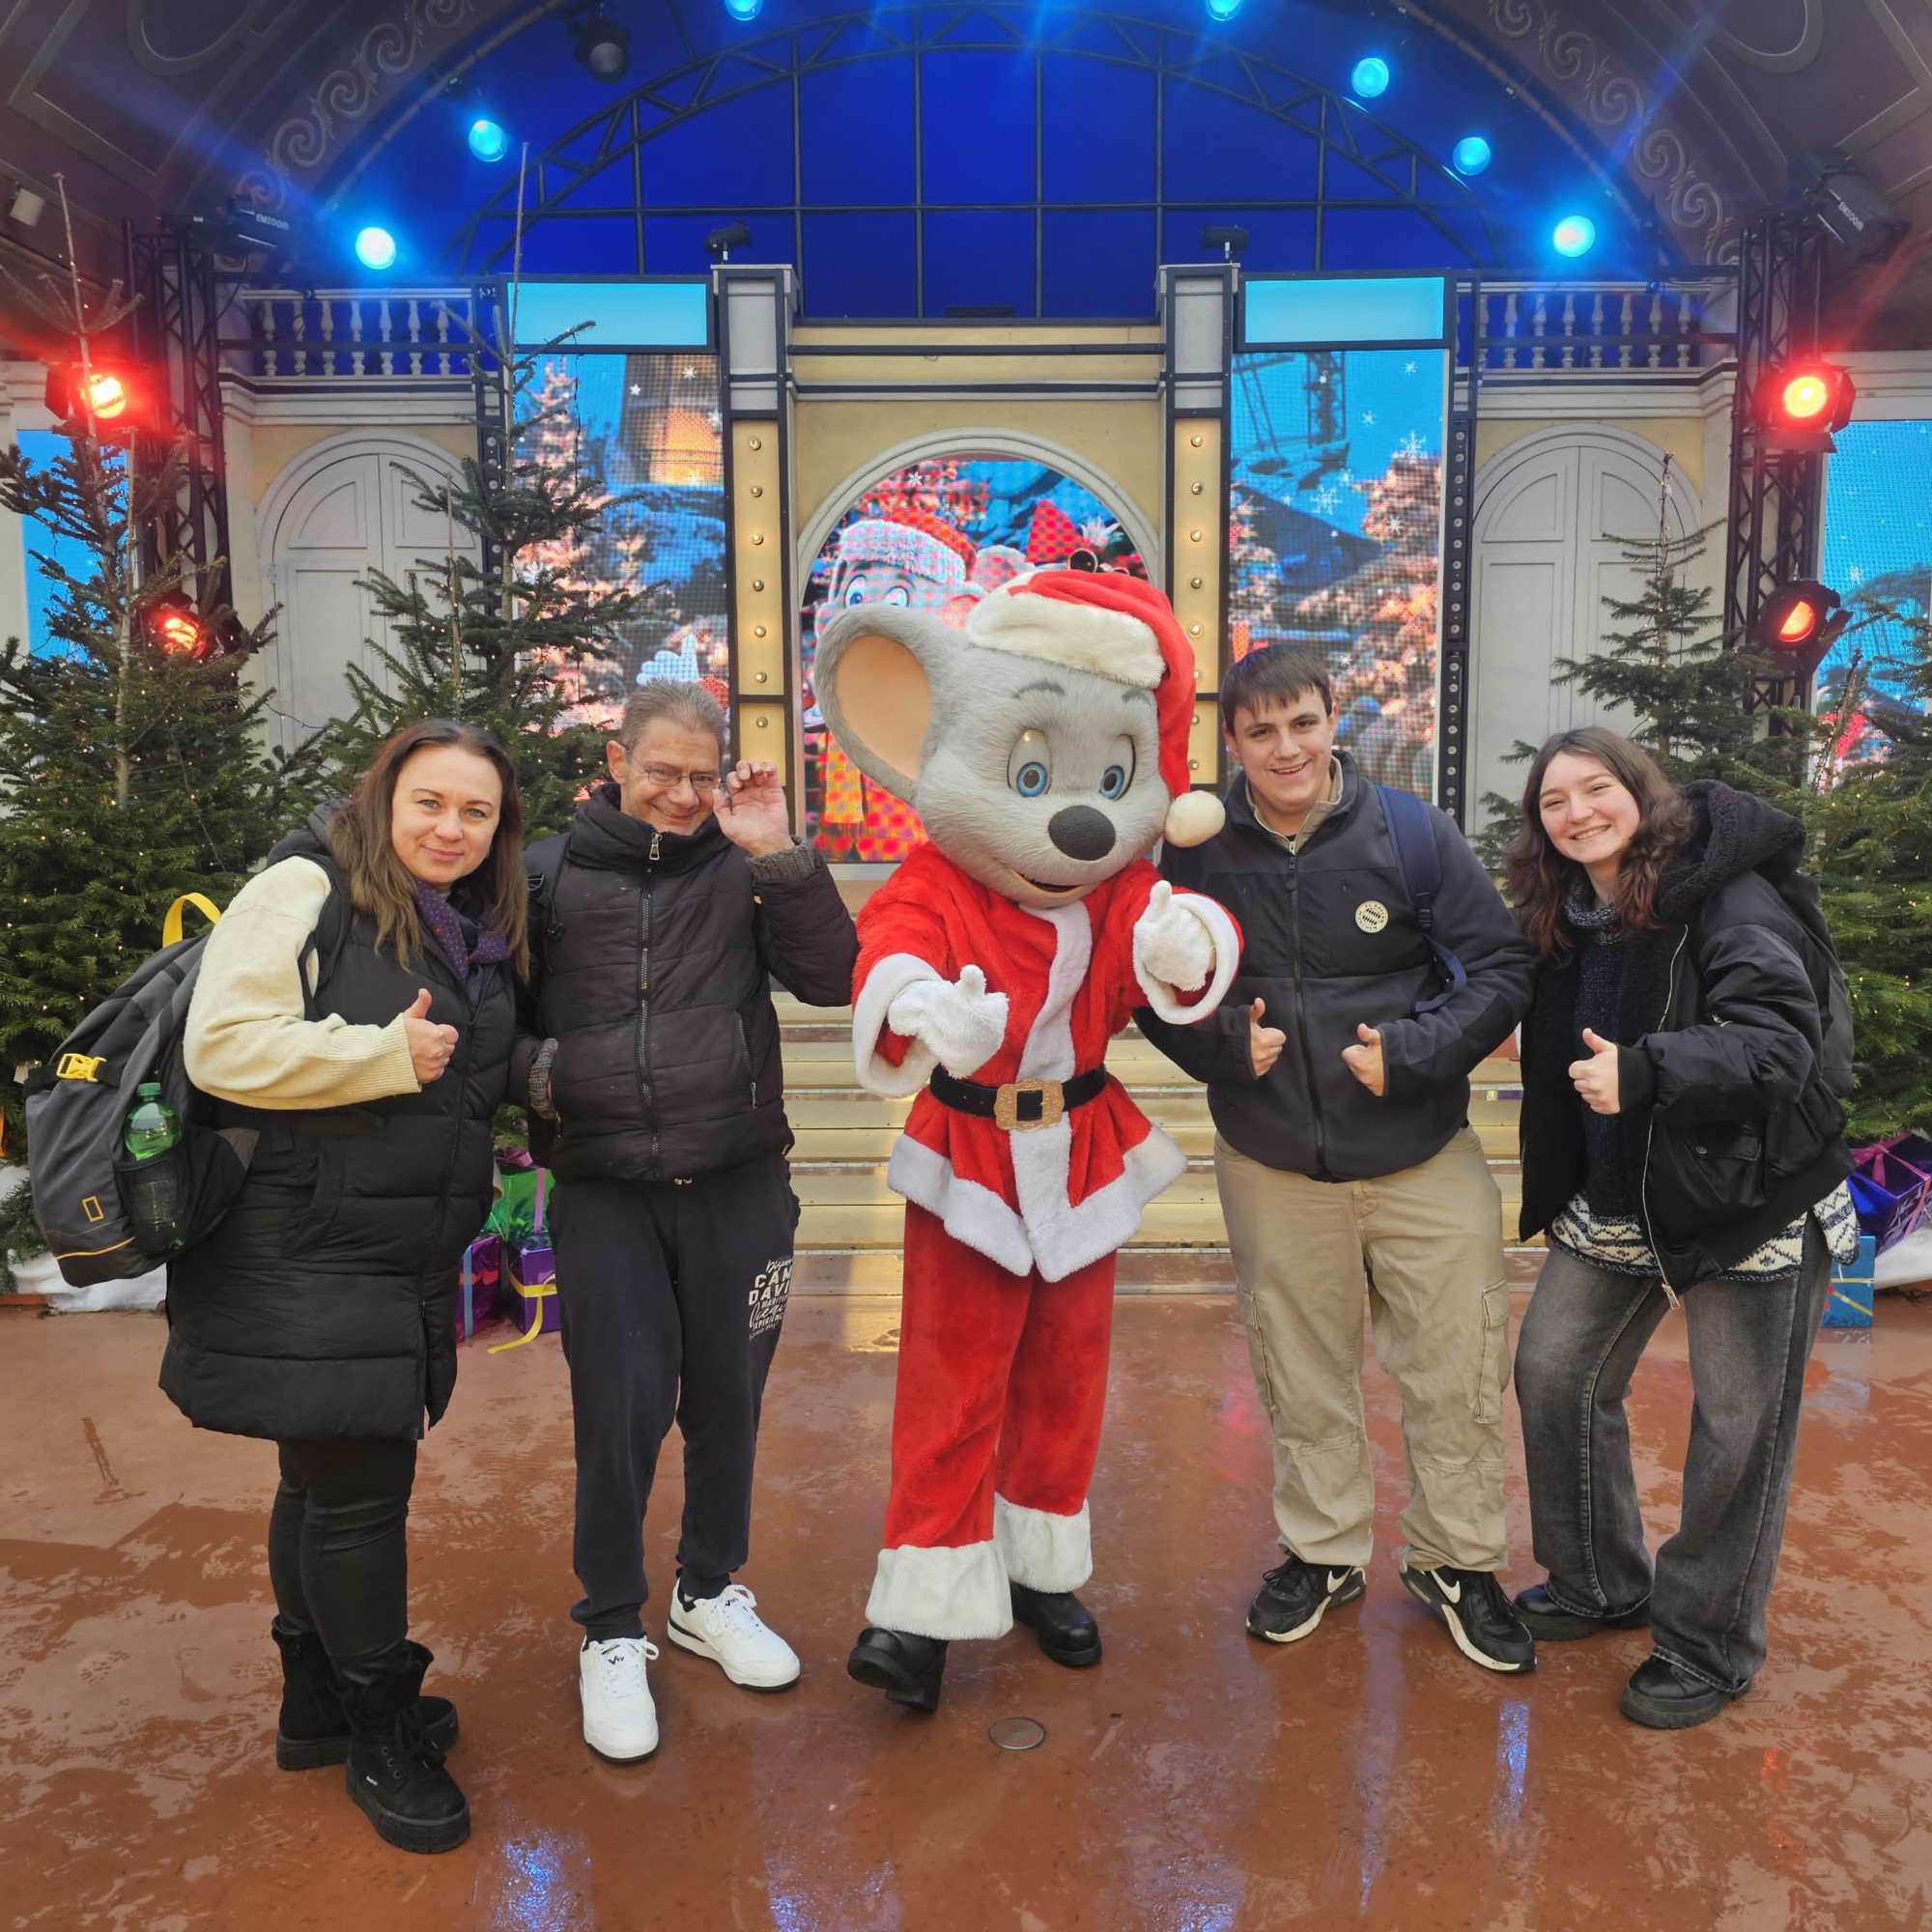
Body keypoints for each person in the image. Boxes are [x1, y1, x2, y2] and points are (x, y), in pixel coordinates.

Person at [163, 719, 526, 1855]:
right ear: (383, 798)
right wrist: (378, 1055)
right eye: (430, 802)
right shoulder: (304, 884)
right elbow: (222, 1043)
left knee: (318, 1476)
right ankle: (378, 1732)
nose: (451, 828)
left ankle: (315, 1703)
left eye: (476, 811)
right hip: (306, 1242)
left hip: (382, 1244)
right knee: (361, 1489)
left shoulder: (461, 923)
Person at [1140, 641, 1538, 1673]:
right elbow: (1152, 985)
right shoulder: (1195, 854)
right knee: (1300, 1370)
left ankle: (1457, 1561)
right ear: (1232, 741)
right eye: (1260, 731)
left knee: (1454, 1372)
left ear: (1332, 718)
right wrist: (1223, 1048)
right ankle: (1322, 1554)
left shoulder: (1411, 833)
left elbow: (1501, 967)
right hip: (1272, 1161)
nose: (1286, 748)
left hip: (1420, 1156)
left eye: (1302, 723)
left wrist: (1415, 1049)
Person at [516, 680, 858, 1763]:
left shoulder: (743, 869)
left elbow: (832, 977)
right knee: (617, 1411)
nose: (679, 793)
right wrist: (547, 1077)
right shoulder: (544, 876)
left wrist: (777, 850)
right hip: (605, 1190)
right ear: (617, 761)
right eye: (660, 770)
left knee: (728, 1402)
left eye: (700, 776)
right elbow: (491, 1022)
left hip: (737, 1185)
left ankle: (706, 1590)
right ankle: (611, 1626)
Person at [1506, 726, 1859, 1729]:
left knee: (1737, 1429)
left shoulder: (1725, 895)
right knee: (1555, 1373)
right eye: (1553, 801)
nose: (1577, 813)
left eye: (1595, 789)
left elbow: (1778, 1043)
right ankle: (1597, 1582)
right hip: (1628, 1192)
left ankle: (1706, 1643)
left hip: (1752, 1194)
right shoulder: (1570, 913)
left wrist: (1647, 1068)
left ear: (1639, 790)